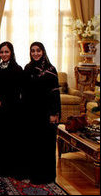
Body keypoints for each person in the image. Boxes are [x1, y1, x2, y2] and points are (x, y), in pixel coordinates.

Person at [22, 42, 61, 184]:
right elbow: (24, 92)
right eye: (32, 51)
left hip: (46, 113)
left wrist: (54, 113)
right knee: (33, 144)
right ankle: (33, 174)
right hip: (31, 112)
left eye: (38, 50)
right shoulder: (28, 68)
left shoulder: (51, 70)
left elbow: (55, 93)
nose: (35, 53)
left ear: (43, 52)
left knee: (46, 144)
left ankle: (46, 176)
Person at [0, 41, 24, 177]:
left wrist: (2, 99)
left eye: (6, 52)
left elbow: (16, 91)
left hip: (12, 110)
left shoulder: (17, 69)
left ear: (11, 53)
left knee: (10, 140)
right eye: (1, 52)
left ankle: (10, 168)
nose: (3, 54)